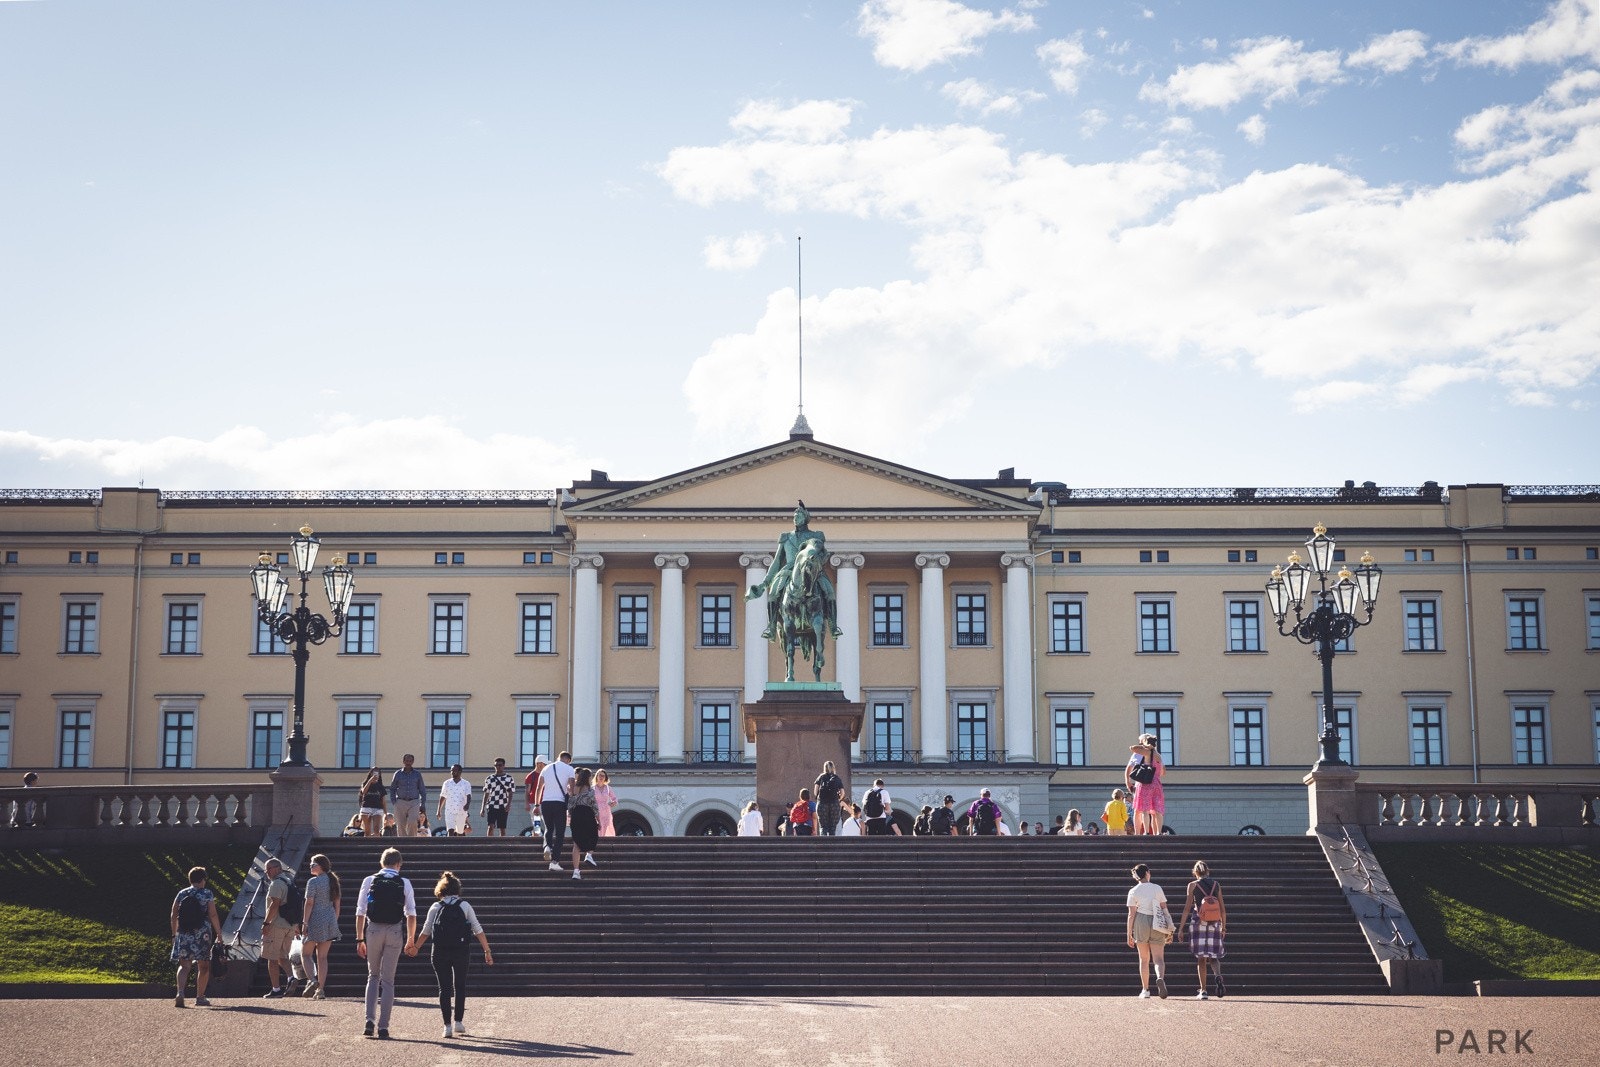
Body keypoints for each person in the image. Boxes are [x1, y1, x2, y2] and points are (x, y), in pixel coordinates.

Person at [409, 870, 494, 1039]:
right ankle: (459, 1022)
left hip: (440, 950)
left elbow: (426, 931)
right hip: (461, 950)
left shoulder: (436, 906)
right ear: (457, 889)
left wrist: (416, 947)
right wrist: (487, 951)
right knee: (460, 985)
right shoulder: (464, 905)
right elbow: (478, 929)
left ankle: (447, 1026)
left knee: (444, 988)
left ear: (441, 889)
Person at [354, 847, 418, 1039]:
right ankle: (383, 1026)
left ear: (382, 862)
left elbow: (360, 912)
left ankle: (369, 1020)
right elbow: (411, 913)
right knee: (388, 981)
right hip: (395, 930)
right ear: (399, 864)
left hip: (373, 929)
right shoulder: (404, 882)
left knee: (372, 976)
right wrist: (411, 940)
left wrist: (360, 938)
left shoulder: (370, 880)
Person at [170, 865, 223, 1007]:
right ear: (203, 879)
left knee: (184, 965)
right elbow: (212, 914)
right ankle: (200, 997)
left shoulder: (182, 893)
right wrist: (219, 933)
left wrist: (174, 934)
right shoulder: (207, 894)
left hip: (184, 933)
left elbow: (174, 915)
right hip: (202, 934)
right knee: (203, 965)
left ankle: (180, 992)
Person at [1177, 859, 1228, 999]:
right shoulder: (1216, 885)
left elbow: (1187, 908)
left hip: (1198, 921)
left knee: (1201, 958)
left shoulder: (1192, 885)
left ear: (1195, 872)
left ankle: (1203, 991)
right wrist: (1224, 927)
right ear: (1208, 871)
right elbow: (1223, 909)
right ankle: (1218, 976)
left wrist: (1180, 928)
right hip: (1215, 923)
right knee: (1214, 956)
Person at [1126, 863, 1172, 999]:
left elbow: (1131, 914)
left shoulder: (1133, 891)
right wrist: (1169, 929)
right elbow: (1164, 908)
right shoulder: (1157, 888)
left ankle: (1145, 990)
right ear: (1147, 873)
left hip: (1141, 921)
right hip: (1157, 920)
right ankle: (1160, 978)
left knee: (1144, 959)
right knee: (1158, 959)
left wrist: (1129, 933)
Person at [299, 853, 341, 1000]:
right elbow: (337, 905)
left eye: (314, 863)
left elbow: (309, 903)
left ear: (321, 866)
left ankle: (312, 980)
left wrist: (304, 922)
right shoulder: (333, 881)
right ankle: (321, 990)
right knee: (322, 957)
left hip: (315, 919)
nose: (311, 865)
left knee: (305, 953)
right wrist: (333, 920)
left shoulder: (313, 882)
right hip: (329, 920)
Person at [260, 857, 297, 999]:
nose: (267, 872)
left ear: (278, 868)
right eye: (266, 869)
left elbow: (274, 905)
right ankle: (291, 977)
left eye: (269, 869)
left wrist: (266, 923)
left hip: (276, 924)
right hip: (290, 925)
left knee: (271, 957)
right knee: (282, 956)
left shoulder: (276, 884)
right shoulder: (289, 882)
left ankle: (276, 989)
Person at [540, 752, 576, 871]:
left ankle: (547, 846)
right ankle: (554, 862)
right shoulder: (569, 769)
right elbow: (571, 787)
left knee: (548, 828)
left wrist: (536, 804)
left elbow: (539, 788)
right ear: (568, 760)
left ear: (558, 758)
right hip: (559, 803)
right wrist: (571, 798)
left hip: (545, 802)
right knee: (560, 833)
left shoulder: (546, 768)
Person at [1127, 734, 1166, 835]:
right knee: (1157, 810)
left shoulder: (1147, 752)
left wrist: (1144, 746)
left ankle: (1147, 832)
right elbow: (1163, 772)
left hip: (1146, 783)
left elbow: (1132, 748)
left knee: (1144, 809)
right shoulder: (1158, 755)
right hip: (1157, 783)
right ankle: (1158, 832)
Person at [567, 766, 601, 878]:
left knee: (576, 843)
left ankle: (576, 872)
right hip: (587, 814)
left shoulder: (574, 789)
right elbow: (595, 806)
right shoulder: (590, 790)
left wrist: (571, 816)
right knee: (593, 835)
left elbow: (570, 804)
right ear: (588, 777)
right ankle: (589, 855)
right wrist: (599, 821)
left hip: (576, 815)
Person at [389, 754, 426, 839]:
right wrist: (394, 802)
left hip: (414, 802)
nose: (408, 763)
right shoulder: (398, 774)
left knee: (412, 822)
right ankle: (402, 843)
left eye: (410, 761)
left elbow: (422, 790)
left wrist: (423, 803)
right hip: (400, 802)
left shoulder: (417, 774)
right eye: (407, 761)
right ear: (403, 761)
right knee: (400, 824)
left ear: (412, 762)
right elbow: (392, 788)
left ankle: (411, 842)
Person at [480, 757, 515, 838]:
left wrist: (509, 804)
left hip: (503, 805)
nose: (498, 767)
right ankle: (489, 845)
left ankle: (502, 846)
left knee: (502, 828)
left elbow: (511, 792)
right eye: (496, 765)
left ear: (504, 766)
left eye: (500, 765)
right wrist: (483, 808)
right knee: (490, 826)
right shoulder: (489, 778)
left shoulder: (509, 778)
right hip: (492, 805)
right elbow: (486, 793)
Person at [437, 763, 472, 837]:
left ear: (460, 772)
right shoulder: (447, 783)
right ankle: (450, 847)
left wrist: (467, 804)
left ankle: (459, 847)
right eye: (451, 770)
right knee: (450, 830)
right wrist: (439, 810)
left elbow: (469, 795)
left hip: (461, 811)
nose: (452, 772)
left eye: (454, 770)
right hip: (449, 810)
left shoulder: (466, 783)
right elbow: (442, 796)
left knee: (460, 831)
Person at [813, 760, 845, 836]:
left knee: (823, 827)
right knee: (832, 827)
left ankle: (823, 845)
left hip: (822, 803)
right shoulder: (836, 778)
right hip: (834, 803)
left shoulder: (821, 777)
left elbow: (815, 791)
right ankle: (832, 845)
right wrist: (839, 799)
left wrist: (818, 797)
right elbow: (843, 793)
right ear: (833, 768)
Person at [357, 767, 387, 837]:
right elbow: (364, 792)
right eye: (374, 772)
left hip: (378, 808)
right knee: (367, 830)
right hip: (366, 807)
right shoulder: (365, 783)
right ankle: (367, 846)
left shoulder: (380, 786)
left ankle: (377, 847)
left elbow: (384, 801)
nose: (376, 774)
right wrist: (370, 781)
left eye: (377, 773)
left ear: (379, 775)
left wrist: (386, 814)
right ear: (370, 773)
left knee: (376, 829)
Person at [523, 755, 547, 841]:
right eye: (544, 764)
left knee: (546, 824)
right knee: (537, 825)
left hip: (545, 803)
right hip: (534, 804)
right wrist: (527, 803)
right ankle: (535, 842)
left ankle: (539, 840)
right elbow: (527, 791)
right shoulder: (531, 776)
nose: (545, 766)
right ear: (539, 764)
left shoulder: (545, 775)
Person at [593, 768, 618, 837]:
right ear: (597, 776)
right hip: (596, 811)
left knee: (607, 827)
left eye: (603, 776)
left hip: (606, 811)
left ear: (605, 778)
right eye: (600, 775)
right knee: (598, 827)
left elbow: (614, 798)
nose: (601, 777)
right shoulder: (592, 788)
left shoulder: (608, 788)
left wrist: (613, 802)